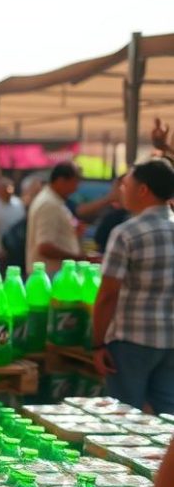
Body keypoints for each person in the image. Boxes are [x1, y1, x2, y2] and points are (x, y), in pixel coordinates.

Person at [91, 159, 174, 414]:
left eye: (126, 185)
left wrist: (97, 344)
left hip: (130, 341)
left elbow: (107, 295)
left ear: (143, 190)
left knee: (125, 420)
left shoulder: (127, 233)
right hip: (170, 341)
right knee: (166, 418)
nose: (122, 191)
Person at [26, 161, 83, 276]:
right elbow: (45, 247)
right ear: (61, 181)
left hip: (54, 276)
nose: (76, 188)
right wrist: (78, 258)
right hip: (50, 277)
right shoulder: (49, 204)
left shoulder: (53, 200)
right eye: (75, 182)